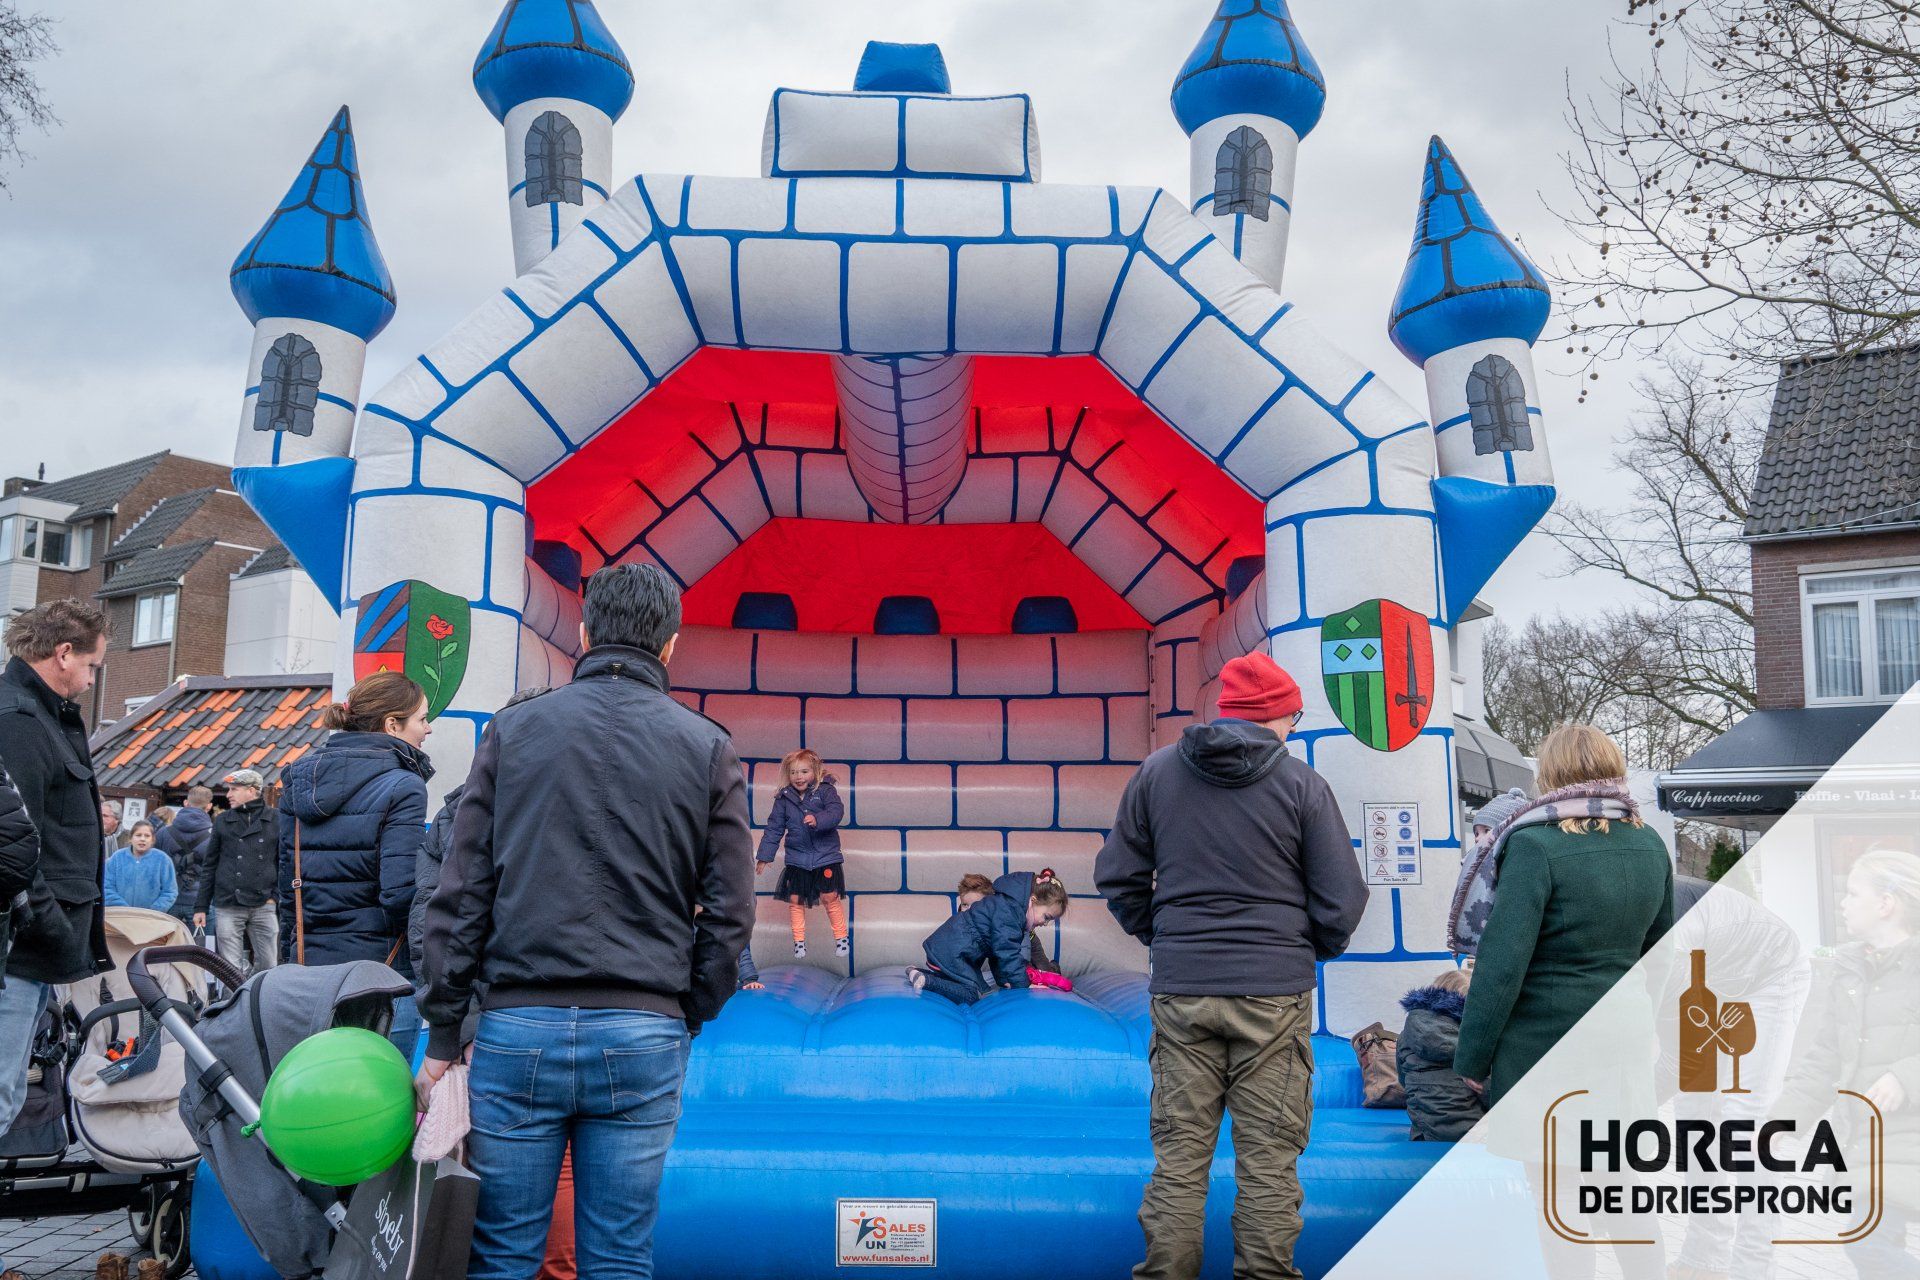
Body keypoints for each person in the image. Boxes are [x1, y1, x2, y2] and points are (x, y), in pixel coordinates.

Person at [419, 562, 754, 1280]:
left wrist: (445, 1029)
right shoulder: (708, 747)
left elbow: (462, 892)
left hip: (517, 1024)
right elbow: (731, 912)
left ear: (583, 633)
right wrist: (688, 1009)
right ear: (670, 644)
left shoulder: (513, 731)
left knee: (500, 1254)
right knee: (620, 1256)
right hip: (644, 1025)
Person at [1094, 651, 1367, 1280]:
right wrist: (1301, 950)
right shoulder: (1302, 784)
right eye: (1294, 718)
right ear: (1278, 715)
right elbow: (1342, 899)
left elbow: (1118, 877)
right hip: (1274, 992)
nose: (1293, 729)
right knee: (1269, 1162)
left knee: (1179, 1159)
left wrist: (1164, 935)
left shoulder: (1157, 773)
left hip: (1184, 987)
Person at [1453, 722, 1674, 1106]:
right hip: (1628, 1027)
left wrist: (1473, 1054)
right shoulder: (1650, 842)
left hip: (1547, 1036)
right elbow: (1661, 951)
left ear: (1550, 774)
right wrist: (1642, 1010)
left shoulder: (1533, 845)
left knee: (1551, 1145)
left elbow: (1503, 963)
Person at [1775, 848, 1920, 1279]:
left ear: (1886, 904)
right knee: (1869, 1245)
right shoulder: (1850, 970)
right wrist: (1780, 1123)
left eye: (1854, 893)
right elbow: (1825, 1058)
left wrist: (1906, 1075)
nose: (1844, 903)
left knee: (1870, 1247)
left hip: (1910, 1137)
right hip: (1869, 1141)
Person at [0, 600, 113, 1148]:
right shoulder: (18, 722)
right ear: (63, 653)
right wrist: (52, 926)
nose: (91, 681)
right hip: (17, 952)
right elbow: (10, 845)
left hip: (28, 948)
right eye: (92, 666)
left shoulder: (39, 717)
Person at [280, 669, 432, 1057]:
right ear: (392, 725)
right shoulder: (404, 786)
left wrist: (287, 961)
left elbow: (286, 892)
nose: (428, 729)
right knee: (382, 1086)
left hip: (309, 975)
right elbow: (400, 894)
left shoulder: (299, 780)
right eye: (422, 719)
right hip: (380, 974)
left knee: (321, 1082)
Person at [908, 870, 1068, 1004]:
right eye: (1047, 917)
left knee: (978, 987)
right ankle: (928, 981)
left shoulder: (1007, 906)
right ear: (1033, 900)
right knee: (973, 994)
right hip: (952, 952)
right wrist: (1023, 985)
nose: (1045, 923)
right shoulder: (1009, 913)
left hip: (947, 948)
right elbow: (1007, 952)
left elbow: (997, 953)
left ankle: (917, 973)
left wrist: (1004, 981)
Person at [755, 748, 847, 959]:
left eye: (804, 771)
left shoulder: (825, 791)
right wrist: (764, 856)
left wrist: (818, 819)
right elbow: (774, 828)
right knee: (795, 899)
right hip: (798, 858)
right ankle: (799, 942)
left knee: (829, 896)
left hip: (825, 856)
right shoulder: (784, 799)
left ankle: (841, 938)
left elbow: (836, 812)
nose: (799, 777)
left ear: (815, 771)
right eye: (794, 772)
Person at [195, 770, 280, 974]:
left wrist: (275, 897)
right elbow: (210, 865)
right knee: (230, 969)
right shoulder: (223, 820)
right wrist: (201, 906)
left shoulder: (275, 819)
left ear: (252, 790)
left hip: (264, 903)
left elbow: (284, 861)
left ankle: (255, 991)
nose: (228, 795)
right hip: (228, 903)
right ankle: (236, 993)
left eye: (234, 789)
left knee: (269, 964)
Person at [1394, 967, 1482, 1141]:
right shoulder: (1476, 1039)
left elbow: (1403, 1080)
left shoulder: (1406, 1036)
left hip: (1424, 1135)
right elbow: (1491, 1089)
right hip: (1477, 1134)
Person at [958, 869, 1062, 975]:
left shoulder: (1006, 924)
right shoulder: (960, 925)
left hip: (1027, 943)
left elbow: (1013, 960)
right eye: (965, 905)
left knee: (1043, 968)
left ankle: (1052, 969)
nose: (971, 910)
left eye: (977, 905)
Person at [157, 785, 215, 928]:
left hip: (168, 901)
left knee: (164, 942)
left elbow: (154, 867)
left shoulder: (163, 833)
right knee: (202, 943)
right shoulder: (216, 835)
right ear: (209, 806)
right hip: (202, 904)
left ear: (185, 803)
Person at [103, 820, 178, 913]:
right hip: (120, 915)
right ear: (131, 838)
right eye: (138, 835)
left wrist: (154, 910)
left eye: (147, 836)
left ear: (153, 839)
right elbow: (107, 887)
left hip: (151, 917)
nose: (142, 839)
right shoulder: (117, 858)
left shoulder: (163, 860)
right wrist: (122, 908)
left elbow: (170, 891)